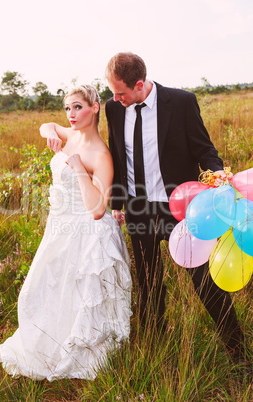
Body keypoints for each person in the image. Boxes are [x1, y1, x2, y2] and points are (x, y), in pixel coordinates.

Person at [104, 52, 248, 364]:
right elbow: (117, 155)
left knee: (205, 283)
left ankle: (239, 353)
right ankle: (156, 352)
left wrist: (217, 171)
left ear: (139, 85)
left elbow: (203, 147)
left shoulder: (181, 102)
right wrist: (118, 203)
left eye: (120, 92)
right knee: (148, 285)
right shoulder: (114, 109)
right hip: (138, 210)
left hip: (182, 211)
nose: (115, 98)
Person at [0, 85, 132, 381]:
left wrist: (79, 169)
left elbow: (98, 208)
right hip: (58, 226)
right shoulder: (68, 134)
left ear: (95, 108)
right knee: (45, 288)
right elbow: (47, 125)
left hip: (86, 233)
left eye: (78, 107)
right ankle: (48, 347)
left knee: (81, 296)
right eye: (67, 108)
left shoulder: (101, 155)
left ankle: (83, 355)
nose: (71, 114)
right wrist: (49, 132)